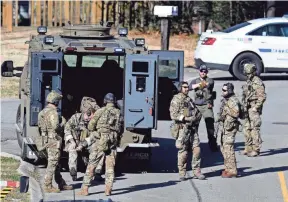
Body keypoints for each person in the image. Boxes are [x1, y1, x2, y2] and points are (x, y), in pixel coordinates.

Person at [76, 93, 123, 196]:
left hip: (99, 141)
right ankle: (108, 190)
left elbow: (91, 126)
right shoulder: (118, 113)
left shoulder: (100, 111)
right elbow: (120, 129)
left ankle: (85, 189)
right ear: (114, 101)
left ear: (105, 101)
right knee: (110, 167)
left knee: (91, 165)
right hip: (112, 142)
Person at [37, 90, 73, 193]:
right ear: (56, 102)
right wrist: (63, 123)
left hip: (45, 140)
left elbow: (39, 127)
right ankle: (48, 185)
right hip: (53, 141)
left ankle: (61, 183)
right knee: (52, 163)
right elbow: (56, 127)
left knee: (55, 163)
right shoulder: (53, 113)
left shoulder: (42, 112)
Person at [169, 81, 206, 181]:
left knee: (197, 149)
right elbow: (173, 115)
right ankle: (182, 172)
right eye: (184, 87)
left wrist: (197, 116)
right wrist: (185, 118)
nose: (187, 89)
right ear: (180, 88)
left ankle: (197, 171)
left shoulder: (189, 99)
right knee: (183, 151)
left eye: (187, 87)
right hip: (182, 129)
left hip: (192, 129)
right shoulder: (176, 99)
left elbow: (193, 111)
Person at [64, 96, 104, 181]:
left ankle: (97, 172)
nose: (90, 117)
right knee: (72, 149)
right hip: (76, 142)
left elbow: (97, 134)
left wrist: (83, 144)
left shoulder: (96, 121)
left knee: (100, 148)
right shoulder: (75, 118)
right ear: (83, 112)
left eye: (92, 114)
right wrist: (72, 142)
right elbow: (67, 129)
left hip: (88, 143)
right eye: (88, 114)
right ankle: (73, 172)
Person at [188, 65, 218, 152]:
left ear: (207, 72)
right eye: (201, 71)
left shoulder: (210, 80)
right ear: (199, 71)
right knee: (193, 126)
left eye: (205, 71)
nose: (203, 73)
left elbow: (207, 84)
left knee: (210, 127)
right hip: (197, 106)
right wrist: (196, 85)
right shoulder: (195, 80)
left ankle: (213, 145)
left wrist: (197, 85)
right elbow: (190, 87)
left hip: (206, 106)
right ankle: (192, 144)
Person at [216, 83, 241, 178]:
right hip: (225, 126)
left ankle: (232, 170)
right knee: (223, 148)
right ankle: (228, 168)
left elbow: (236, 113)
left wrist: (227, 110)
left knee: (228, 148)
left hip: (230, 127)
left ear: (229, 91)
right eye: (222, 89)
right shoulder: (226, 100)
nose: (222, 91)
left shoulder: (232, 101)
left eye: (225, 90)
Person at [242, 63, 266, 157]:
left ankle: (256, 149)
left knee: (255, 128)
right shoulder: (249, 81)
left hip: (253, 107)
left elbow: (262, 96)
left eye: (248, 73)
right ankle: (248, 147)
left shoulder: (257, 82)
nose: (247, 75)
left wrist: (256, 107)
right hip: (247, 107)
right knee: (246, 127)